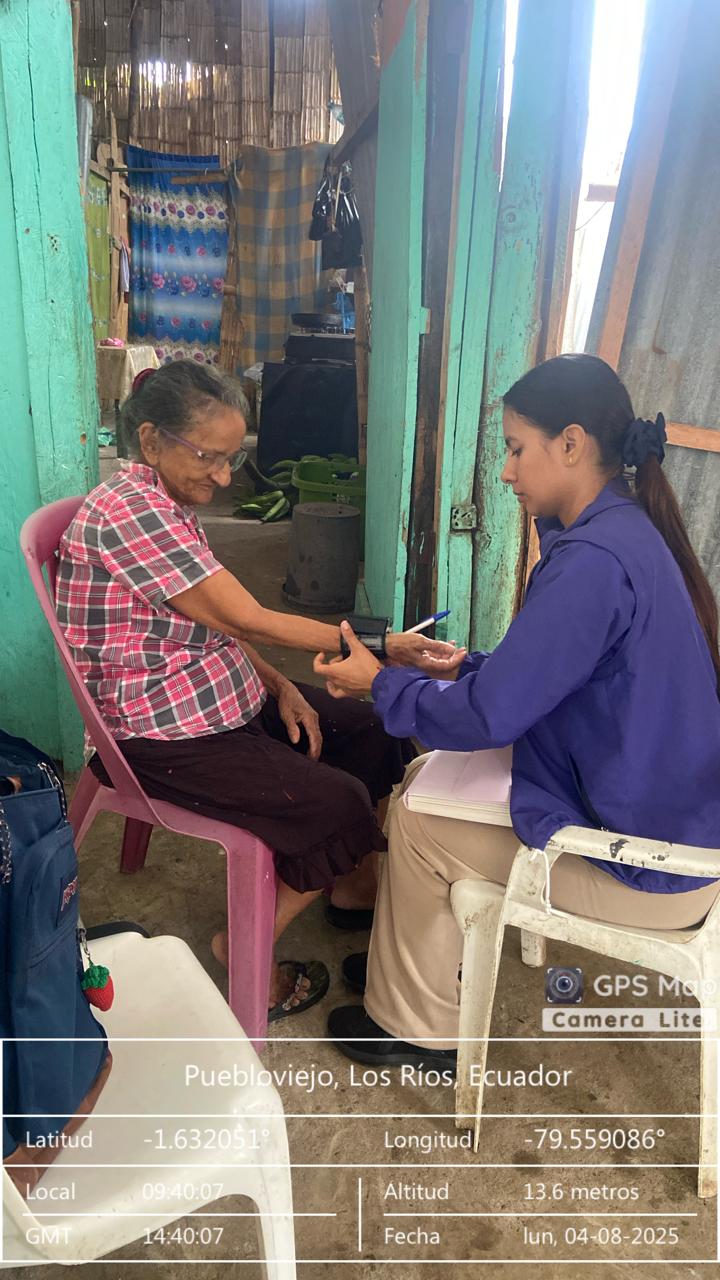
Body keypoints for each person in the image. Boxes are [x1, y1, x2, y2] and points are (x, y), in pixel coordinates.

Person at [313, 353, 720, 1067]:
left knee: (418, 818)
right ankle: (412, 968)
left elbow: (490, 719)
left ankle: (418, 1026)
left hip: (653, 868)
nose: (505, 471)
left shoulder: (593, 560)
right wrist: (466, 666)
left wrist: (380, 684)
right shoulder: (623, 531)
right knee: (426, 781)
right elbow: (562, 676)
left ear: (572, 444)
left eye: (515, 448)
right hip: (671, 819)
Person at [56, 359, 465, 1020]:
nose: (223, 478)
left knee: (367, 727)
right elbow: (246, 618)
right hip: (158, 734)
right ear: (152, 440)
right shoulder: (131, 512)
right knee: (337, 800)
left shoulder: (166, 501)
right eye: (209, 458)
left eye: (231, 459)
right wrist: (381, 643)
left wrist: (276, 683)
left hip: (218, 696)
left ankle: (351, 887)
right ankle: (243, 946)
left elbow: (216, 620)